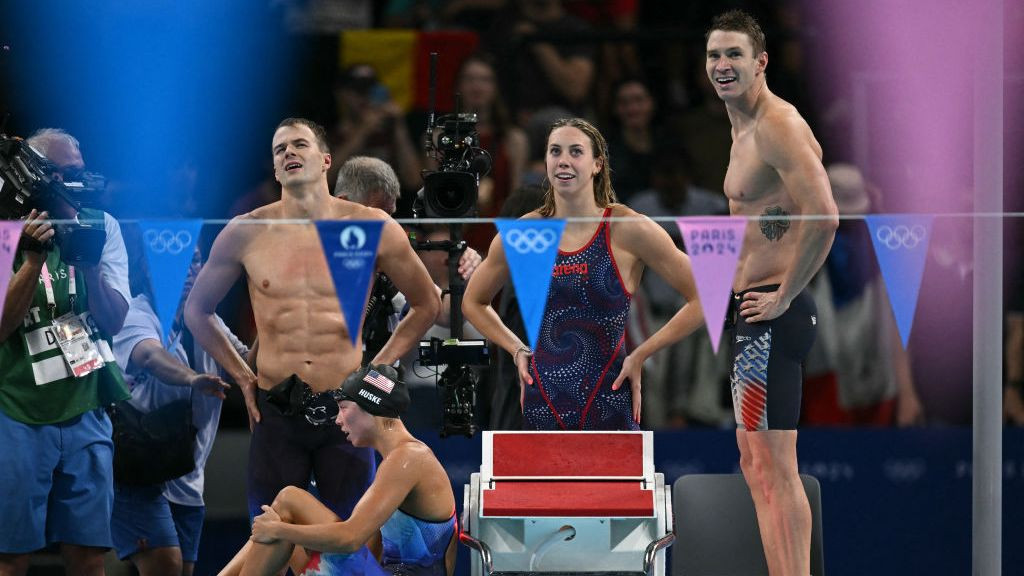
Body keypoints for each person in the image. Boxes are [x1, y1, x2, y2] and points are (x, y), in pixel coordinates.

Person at [184, 118, 439, 523]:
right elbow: (197, 312)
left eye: (299, 145)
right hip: (276, 409)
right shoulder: (245, 231)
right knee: (270, 535)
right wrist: (243, 378)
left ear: (325, 160)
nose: (288, 153)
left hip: (347, 406)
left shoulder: (370, 226)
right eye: (279, 149)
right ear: (274, 168)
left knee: (350, 540)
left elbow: (427, 304)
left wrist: (373, 373)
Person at [462, 117, 704, 431]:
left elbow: (703, 298)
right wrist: (515, 348)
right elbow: (473, 302)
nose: (563, 161)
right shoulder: (525, 232)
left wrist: (642, 354)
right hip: (542, 403)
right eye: (555, 151)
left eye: (576, 152)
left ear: (597, 164)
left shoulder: (626, 228)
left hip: (612, 400)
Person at [706, 10, 838, 576]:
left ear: (761, 62)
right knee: (755, 461)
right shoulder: (741, 129)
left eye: (734, 54)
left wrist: (784, 296)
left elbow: (826, 217)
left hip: (771, 313)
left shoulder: (776, 125)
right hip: (751, 314)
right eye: (714, 55)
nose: (722, 66)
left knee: (775, 465)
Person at [0, 128, 132, 576]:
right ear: (36, 175)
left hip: (86, 405)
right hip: (15, 408)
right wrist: (33, 260)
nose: (79, 182)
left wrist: (91, 270)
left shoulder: (102, 224)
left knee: (90, 555)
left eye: (81, 170)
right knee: (11, 557)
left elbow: (114, 321)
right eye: (68, 173)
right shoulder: (3, 230)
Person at [219, 366, 457, 575]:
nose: (337, 420)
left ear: (370, 408)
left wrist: (280, 531)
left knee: (287, 506)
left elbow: (351, 538)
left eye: (343, 407)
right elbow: (373, 546)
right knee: (281, 516)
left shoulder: (409, 459)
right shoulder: (399, 458)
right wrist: (278, 530)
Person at [110, 236, 246, 576]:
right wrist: (191, 378)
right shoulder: (135, 312)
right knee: (164, 564)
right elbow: (150, 355)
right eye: (176, 263)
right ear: (148, 267)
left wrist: (271, 319)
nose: (189, 271)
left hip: (187, 477)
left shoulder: (207, 319)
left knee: (180, 570)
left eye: (195, 261)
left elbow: (248, 364)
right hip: (138, 469)